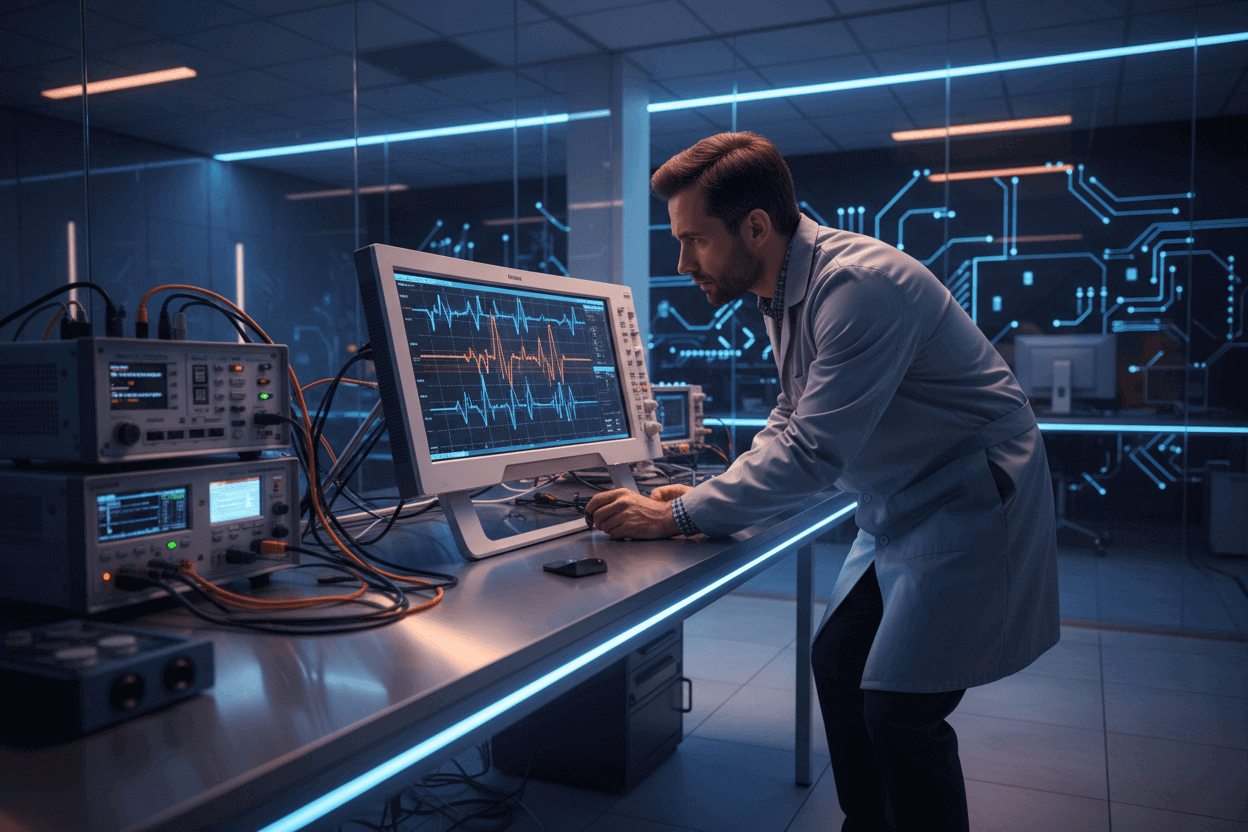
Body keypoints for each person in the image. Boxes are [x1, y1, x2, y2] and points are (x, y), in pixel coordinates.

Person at [584, 132, 1060, 832]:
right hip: (907, 500)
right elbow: (792, 411)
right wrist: (702, 496)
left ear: (755, 227)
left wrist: (683, 515)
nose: (682, 262)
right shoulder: (783, 290)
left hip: (972, 497)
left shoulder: (860, 285)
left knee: (902, 712)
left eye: (694, 240)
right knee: (838, 661)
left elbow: (812, 451)